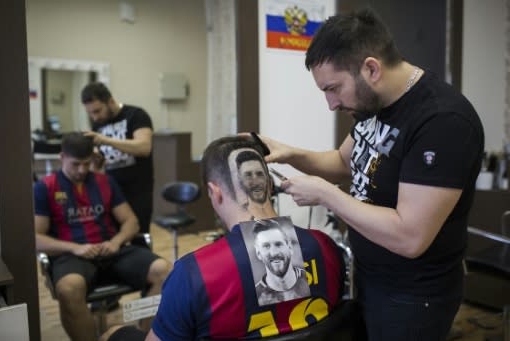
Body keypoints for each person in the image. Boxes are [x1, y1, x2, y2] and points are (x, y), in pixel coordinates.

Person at [254, 8, 485, 341]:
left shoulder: (442, 122)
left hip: (413, 297)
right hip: (369, 277)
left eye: (333, 89)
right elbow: (343, 161)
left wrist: (327, 195)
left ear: (371, 69)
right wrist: (290, 153)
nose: (331, 104)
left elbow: (410, 237)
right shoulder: (372, 105)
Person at [103, 135, 346, 341]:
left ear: (214, 192)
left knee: (112, 334)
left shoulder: (193, 273)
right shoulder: (324, 247)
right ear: (270, 186)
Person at [34, 132, 170, 341]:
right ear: (62, 157)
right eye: (76, 164)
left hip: (112, 250)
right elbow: (36, 238)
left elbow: (131, 222)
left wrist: (115, 242)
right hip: (73, 256)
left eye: (87, 164)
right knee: (68, 289)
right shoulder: (45, 188)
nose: (82, 170)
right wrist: (74, 248)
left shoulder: (105, 182)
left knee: (165, 271)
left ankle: (146, 336)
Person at [81, 82, 154, 233]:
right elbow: (99, 166)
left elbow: (144, 147)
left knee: (138, 237)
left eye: (97, 111)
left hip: (138, 191)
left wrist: (105, 140)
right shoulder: (98, 124)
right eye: (90, 113)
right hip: (112, 193)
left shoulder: (136, 115)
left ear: (111, 101)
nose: (94, 117)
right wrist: (95, 158)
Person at [252, 219, 309, 305]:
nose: (274, 253)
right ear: (258, 253)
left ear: (290, 247)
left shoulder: (310, 279)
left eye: (278, 244)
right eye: (266, 246)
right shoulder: (256, 295)